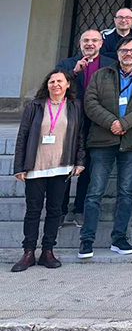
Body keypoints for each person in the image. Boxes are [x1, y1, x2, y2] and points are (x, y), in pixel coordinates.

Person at [79, 36, 132, 259]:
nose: (128, 54)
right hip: (103, 140)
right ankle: (87, 240)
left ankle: (119, 237)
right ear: (117, 52)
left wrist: (124, 123)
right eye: (124, 50)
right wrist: (111, 122)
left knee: (125, 192)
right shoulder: (100, 75)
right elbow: (90, 102)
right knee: (94, 192)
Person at [12, 70, 85, 272]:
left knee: (55, 211)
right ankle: (28, 252)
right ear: (48, 84)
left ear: (68, 84)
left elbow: (79, 135)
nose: (56, 85)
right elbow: (22, 136)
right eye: (52, 81)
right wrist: (19, 166)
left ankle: (48, 251)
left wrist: (79, 161)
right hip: (36, 167)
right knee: (33, 211)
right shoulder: (35, 106)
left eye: (60, 81)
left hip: (61, 167)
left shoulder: (74, 106)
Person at [55, 29, 114, 224]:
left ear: (101, 44)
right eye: (86, 40)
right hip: (71, 122)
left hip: (97, 123)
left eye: (94, 40)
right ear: (80, 43)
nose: (90, 44)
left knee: (88, 167)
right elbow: (53, 87)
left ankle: (80, 207)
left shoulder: (110, 64)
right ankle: (60, 210)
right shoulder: (66, 64)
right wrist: (74, 73)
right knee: (66, 166)